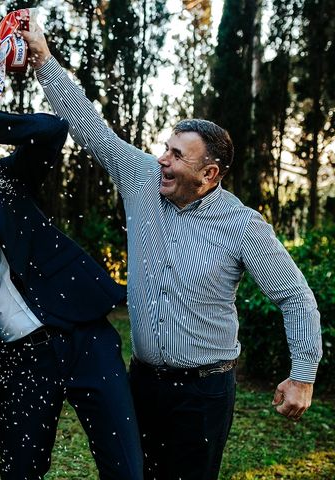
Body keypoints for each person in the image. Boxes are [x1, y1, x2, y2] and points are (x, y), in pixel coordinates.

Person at [17, 24, 323, 479]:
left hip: (203, 394)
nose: (163, 159)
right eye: (166, 148)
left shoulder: (243, 227)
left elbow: (295, 297)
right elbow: (89, 126)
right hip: (139, 383)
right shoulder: (142, 179)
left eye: (178, 155)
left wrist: (302, 375)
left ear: (210, 173)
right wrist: (42, 58)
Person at [0, 110, 143, 479]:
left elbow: (52, 130)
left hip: (85, 338)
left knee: (124, 465)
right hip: (22, 364)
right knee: (19, 472)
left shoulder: (3, 184)